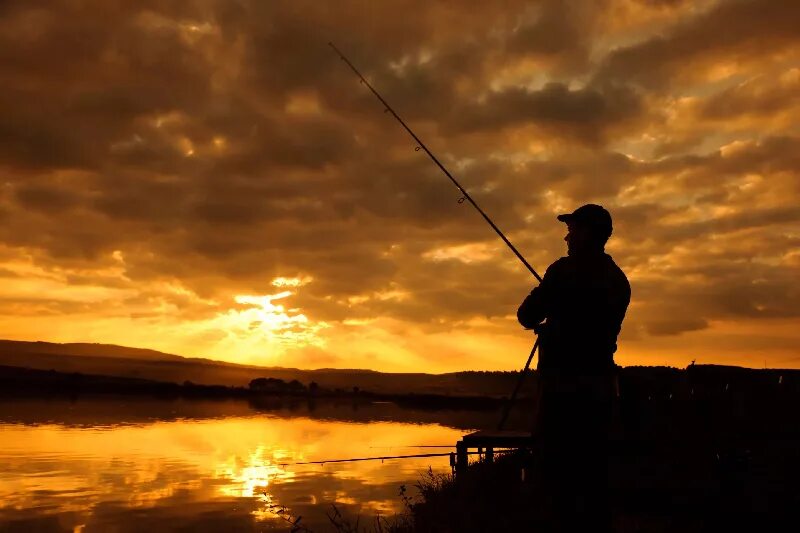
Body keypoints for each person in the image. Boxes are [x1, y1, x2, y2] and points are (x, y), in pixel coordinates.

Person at [518, 203, 630, 532]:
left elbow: (526, 315)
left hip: (561, 392)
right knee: (594, 478)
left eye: (572, 229)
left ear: (587, 234)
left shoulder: (562, 271)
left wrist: (551, 303)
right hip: (600, 391)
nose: (566, 236)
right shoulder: (618, 280)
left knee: (556, 479)